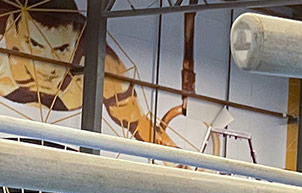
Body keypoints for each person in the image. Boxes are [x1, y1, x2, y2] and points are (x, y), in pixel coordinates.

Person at [0, 0, 177, 145]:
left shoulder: (104, 65)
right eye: (35, 45)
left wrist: (180, 163)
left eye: (62, 49)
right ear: (12, 32)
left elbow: (138, 123)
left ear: (78, 45)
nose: (50, 67)